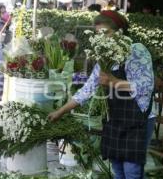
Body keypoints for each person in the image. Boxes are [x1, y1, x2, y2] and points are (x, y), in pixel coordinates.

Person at [48, 10, 155, 179]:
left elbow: (146, 86)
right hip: (116, 119)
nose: (102, 38)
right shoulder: (104, 57)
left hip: (137, 120)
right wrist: (60, 111)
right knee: (118, 170)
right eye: (99, 34)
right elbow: (88, 89)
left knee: (132, 171)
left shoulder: (136, 50)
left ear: (120, 32)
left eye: (106, 33)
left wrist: (113, 82)